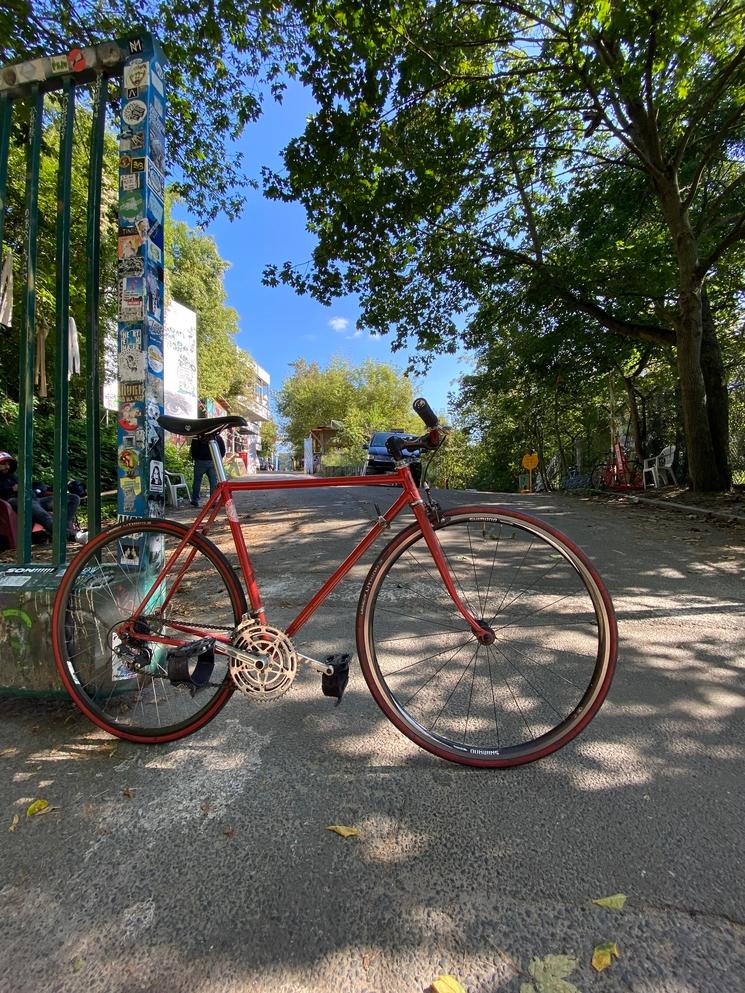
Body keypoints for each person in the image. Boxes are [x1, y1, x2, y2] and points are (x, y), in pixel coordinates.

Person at [0, 451, 86, 543]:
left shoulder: (12, 476)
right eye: (4, 464)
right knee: (43, 515)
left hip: (35, 499)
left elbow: (34, 485)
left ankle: (61, 532)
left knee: (73, 499)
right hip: (18, 501)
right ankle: (73, 536)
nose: (7, 467)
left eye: (8, 464)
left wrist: (40, 488)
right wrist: (12, 489)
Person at [190, 433, 225, 507]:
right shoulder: (217, 437)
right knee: (213, 482)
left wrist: (196, 458)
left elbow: (193, 450)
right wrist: (218, 458)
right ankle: (213, 501)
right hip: (213, 461)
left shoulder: (197, 437)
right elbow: (222, 449)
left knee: (197, 481)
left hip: (200, 461)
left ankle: (195, 500)